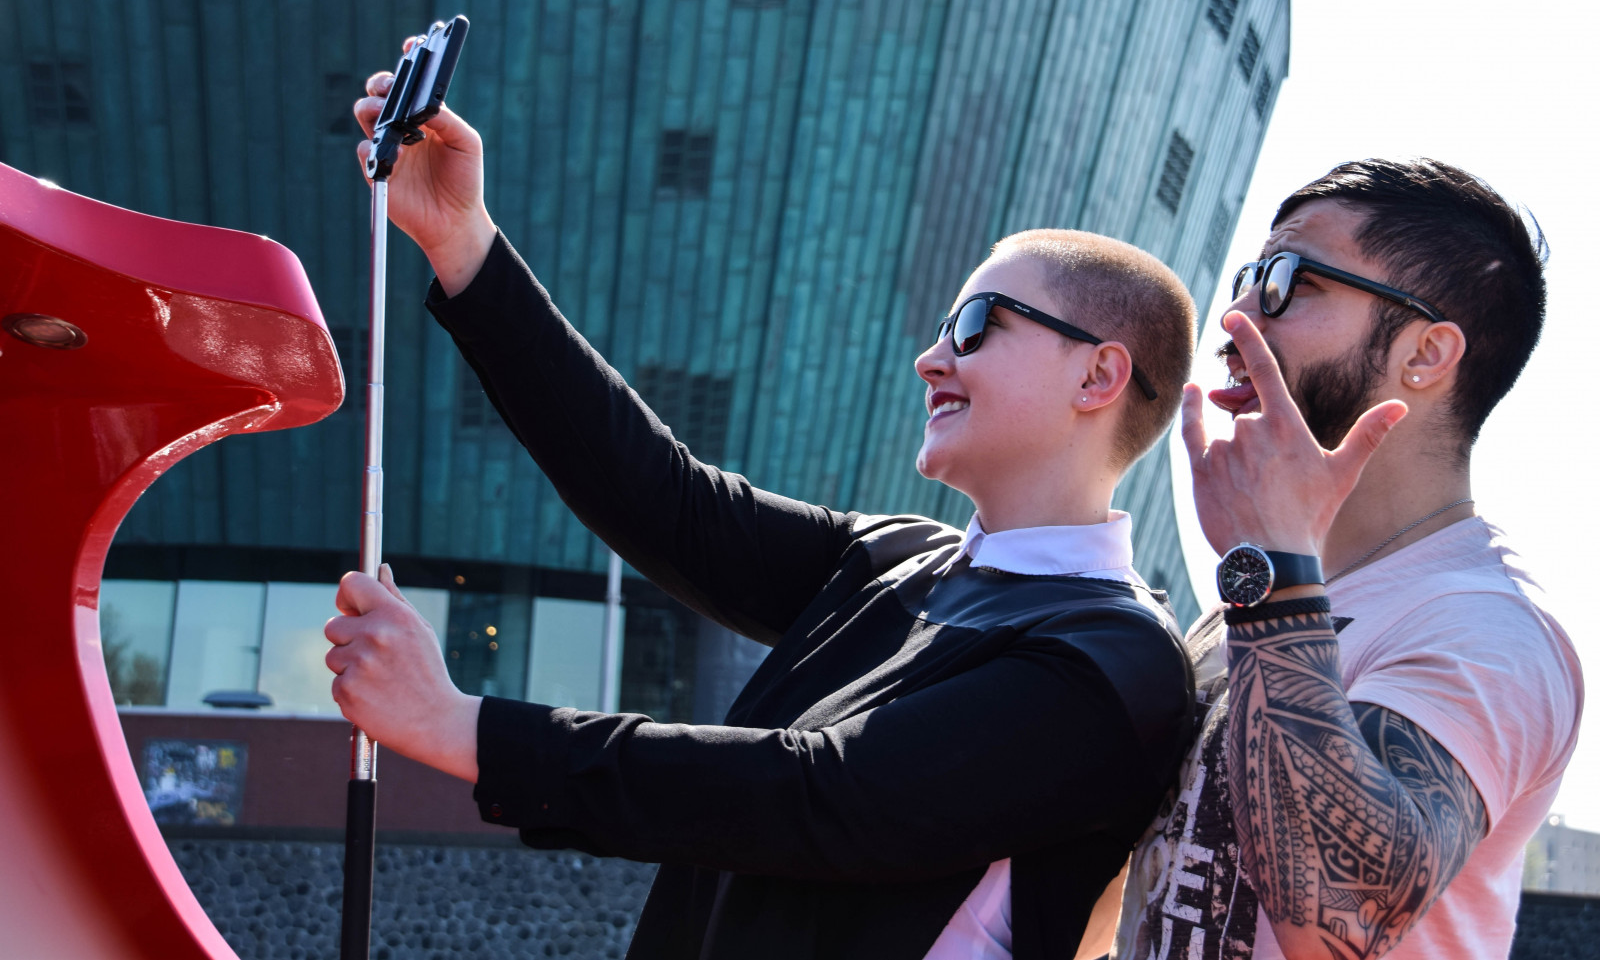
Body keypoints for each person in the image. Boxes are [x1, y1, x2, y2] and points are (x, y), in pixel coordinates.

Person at [324, 67, 1199, 960]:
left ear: (1099, 375)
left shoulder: (1113, 662)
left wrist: (458, 724)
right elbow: (668, 501)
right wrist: (463, 241)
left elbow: (821, 797)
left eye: (976, 325)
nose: (929, 358)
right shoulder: (897, 558)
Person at [1113, 159, 1584, 960]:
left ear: (1427, 353)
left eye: (1288, 280)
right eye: (1248, 277)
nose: (1236, 316)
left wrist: (1268, 566)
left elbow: (1338, 913)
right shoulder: (1254, 599)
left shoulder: (1488, 630)